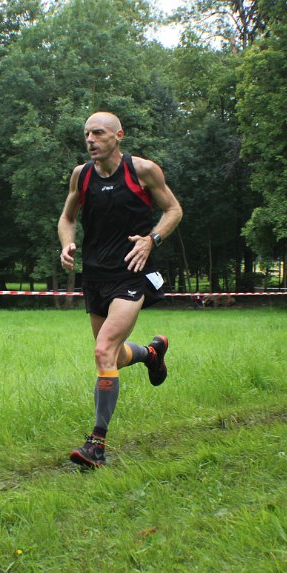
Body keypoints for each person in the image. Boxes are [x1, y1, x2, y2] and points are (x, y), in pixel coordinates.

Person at [58, 111, 183, 469]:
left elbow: (174, 210)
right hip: (95, 277)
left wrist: (152, 239)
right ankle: (151, 354)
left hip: (131, 273)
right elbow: (67, 217)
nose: (90, 140)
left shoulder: (142, 170)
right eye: (87, 134)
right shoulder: (81, 175)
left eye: (98, 133)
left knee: (102, 351)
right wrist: (66, 244)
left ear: (118, 135)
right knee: (111, 356)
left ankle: (96, 444)